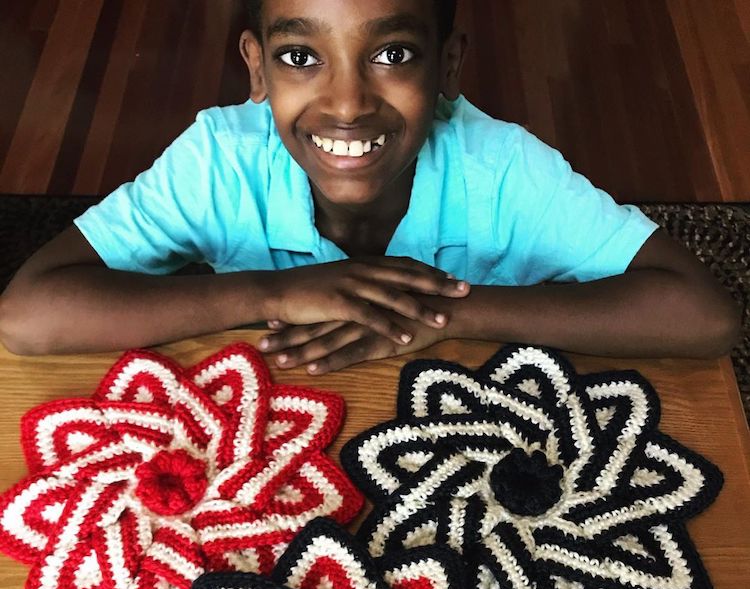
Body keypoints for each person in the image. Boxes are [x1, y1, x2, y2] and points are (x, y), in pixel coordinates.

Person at [0, 0, 740, 371]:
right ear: (256, 66)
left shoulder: (501, 168)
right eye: (300, 57)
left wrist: (446, 316)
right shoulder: (221, 159)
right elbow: (28, 314)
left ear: (448, 65)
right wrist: (272, 293)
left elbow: (702, 316)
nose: (348, 104)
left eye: (392, 53)